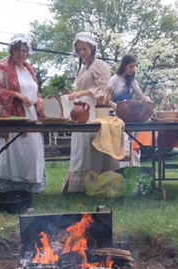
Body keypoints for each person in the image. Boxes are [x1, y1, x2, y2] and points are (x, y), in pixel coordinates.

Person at [0, 34, 47, 194]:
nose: (21, 54)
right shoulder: (3, 66)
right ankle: (7, 189)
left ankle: (29, 188)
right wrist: (15, 95)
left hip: (31, 115)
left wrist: (40, 106)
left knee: (31, 152)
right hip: (12, 114)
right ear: (12, 50)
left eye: (24, 50)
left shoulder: (29, 69)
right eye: (18, 50)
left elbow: (36, 92)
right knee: (12, 150)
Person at [62, 32, 117, 193]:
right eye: (79, 50)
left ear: (92, 48)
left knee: (89, 146)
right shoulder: (83, 68)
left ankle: (95, 183)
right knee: (80, 147)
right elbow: (82, 88)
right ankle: (78, 186)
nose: (81, 53)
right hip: (81, 108)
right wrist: (74, 95)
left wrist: (82, 94)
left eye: (84, 49)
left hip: (93, 109)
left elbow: (102, 89)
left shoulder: (99, 65)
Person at [109, 55, 151, 166]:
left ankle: (135, 167)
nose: (133, 69)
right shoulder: (114, 80)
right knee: (123, 143)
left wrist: (146, 100)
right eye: (130, 66)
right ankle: (122, 168)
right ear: (124, 66)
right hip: (117, 115)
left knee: (134, 142)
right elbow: (106, 99)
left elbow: (140, 96)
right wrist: (118, 108)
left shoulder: (132, 81)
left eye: (134, 67)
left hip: (131, 115)